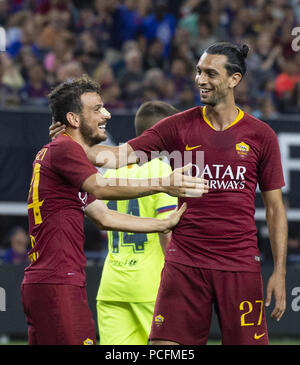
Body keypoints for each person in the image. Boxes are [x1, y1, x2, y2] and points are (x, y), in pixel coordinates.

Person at [83, 42, 287, 345]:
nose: (200, 80)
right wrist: (73, 143)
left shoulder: (261, 135)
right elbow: (116, 157)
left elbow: (274, 209)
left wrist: (279, 271)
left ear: (234, 80)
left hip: (239, 264)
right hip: (185, 262)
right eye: (198, 72)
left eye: (210, 74)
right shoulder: (177, 126)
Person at [21, 75, 207, 345]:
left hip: (53, 281)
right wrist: (163, 184)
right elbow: (101, 188)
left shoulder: (57, 153)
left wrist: (161, 225)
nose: (106, 114)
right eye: (97, 109)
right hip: (62, 281)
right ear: (74, 119)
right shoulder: (65, 151)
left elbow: (104, 216)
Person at [96, 101, 179, 345]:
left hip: (112, 285)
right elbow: (167, 232)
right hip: (152, 287)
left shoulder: (112, 172)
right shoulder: (162, 171)